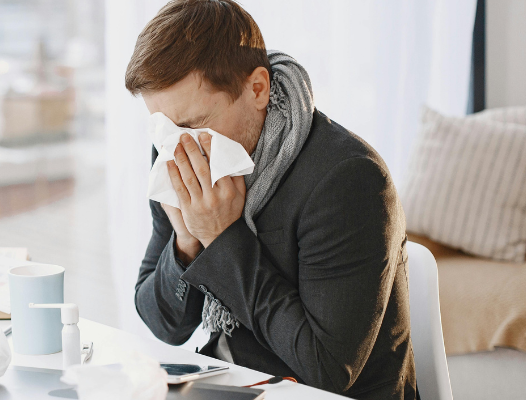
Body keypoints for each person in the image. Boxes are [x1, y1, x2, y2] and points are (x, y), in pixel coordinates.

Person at [127, 1, 417, 399]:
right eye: (163, 126)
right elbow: (165, 325)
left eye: (194, 124)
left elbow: (328, 370)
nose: (176, 145)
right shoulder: (177, 148)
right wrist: (186, 244)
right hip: (226, 384)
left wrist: (222, 239)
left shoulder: (349, 180)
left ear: (257, 89)